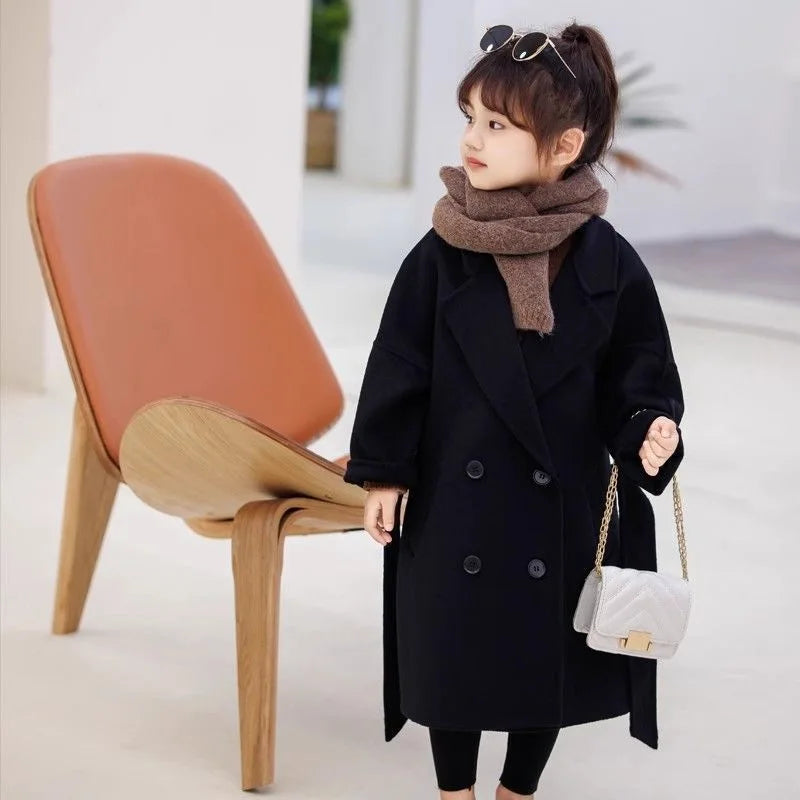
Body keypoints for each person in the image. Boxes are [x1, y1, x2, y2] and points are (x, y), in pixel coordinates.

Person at [343, 20, 685, 800]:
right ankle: (454, 790)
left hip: (558, 507)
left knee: (546, 661)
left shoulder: (608, 259)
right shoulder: (442, 251)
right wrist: (384, 473)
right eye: (470, 117)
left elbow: (638, 370)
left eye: (497, 125)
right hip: (453, 505)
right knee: (453, 655)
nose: (472, 138)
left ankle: (517, 789)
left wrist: (650, 427)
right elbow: (399, 366)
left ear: (564, 146)